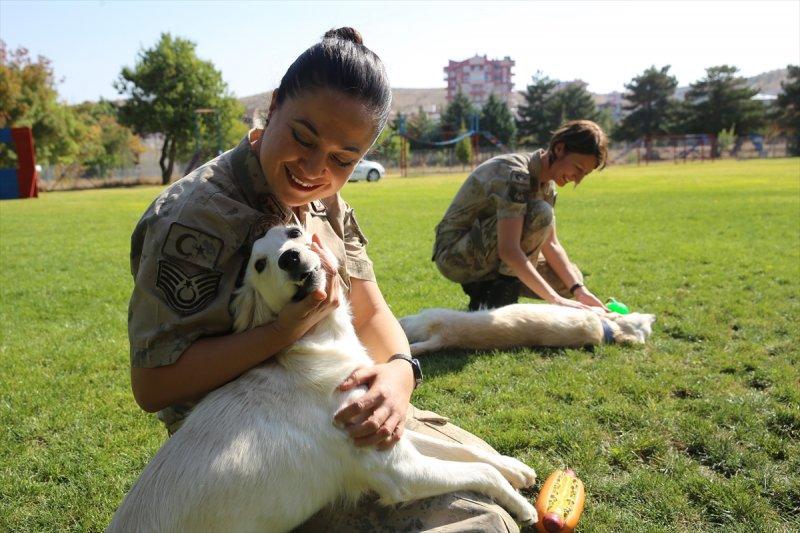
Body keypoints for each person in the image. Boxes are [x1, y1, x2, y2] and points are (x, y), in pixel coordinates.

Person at [127, 27, 520, 532]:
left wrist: (399, 373)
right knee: (482, 520)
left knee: (496, 470)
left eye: (342, 159)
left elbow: (371, 308)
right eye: (303, 137)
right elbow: (155, 384)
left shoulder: (322, 199)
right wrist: (280, 332)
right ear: (273, 110)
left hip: (329, 402)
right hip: (253, 449)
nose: (314, 169)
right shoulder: (193, 217)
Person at [432, 120, 610, 312]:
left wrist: (579, 291)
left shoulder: (547, 187)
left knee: (568, 278)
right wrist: (555, 300)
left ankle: (486, 292)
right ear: (559, 149)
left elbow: (551, 244)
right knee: (540, 213)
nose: (578, 178)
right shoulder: (516, 174)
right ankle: (498, 301)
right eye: (578, 168)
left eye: (585, 174)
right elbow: (509, 249)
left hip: (486, 251)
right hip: (454, 255)